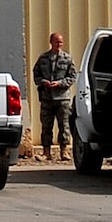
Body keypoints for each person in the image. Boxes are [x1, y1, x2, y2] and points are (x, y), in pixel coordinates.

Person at [33, 31, 77, 161]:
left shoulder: (67, 59)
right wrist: (43, 82)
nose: (59, 44)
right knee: (46, 125)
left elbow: (72, 76)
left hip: (62, 98)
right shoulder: (43, 58)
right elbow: (36, 74)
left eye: (61, 42)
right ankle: (46, 152)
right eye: (56, 41)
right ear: (51, 42)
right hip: (47, 98)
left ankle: (64, 151)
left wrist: (60, 83)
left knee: (64, 125)